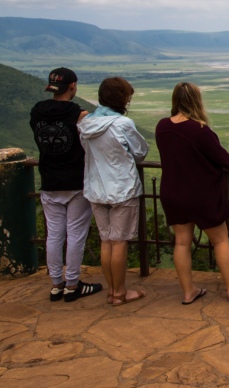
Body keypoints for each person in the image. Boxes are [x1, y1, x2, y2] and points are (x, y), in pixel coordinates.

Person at [155, 82, 229, 305]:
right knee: (221, 241)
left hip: (172, 193)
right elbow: (224, 159)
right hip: (200, 195)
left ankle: (188, 292)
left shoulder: (162, 126)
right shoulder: (200, 130)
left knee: (182, 243)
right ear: (197, 101)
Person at [30, 67, 103, 302]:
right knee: (75, 234)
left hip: (49, 180)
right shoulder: (79, 115)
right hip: (76, 181)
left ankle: (55, 285)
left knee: (54, 235)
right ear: (73, 86)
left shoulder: (37, 112)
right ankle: (72, 285)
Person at [78, 77, 149, 306]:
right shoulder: (122, 124)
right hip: (122, 188)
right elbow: (140, 152)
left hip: (95, 188)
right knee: (119, 242)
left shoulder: (86, 124)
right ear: (122, 99)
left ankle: (111, 291)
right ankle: (120, 293)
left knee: (106, 241)